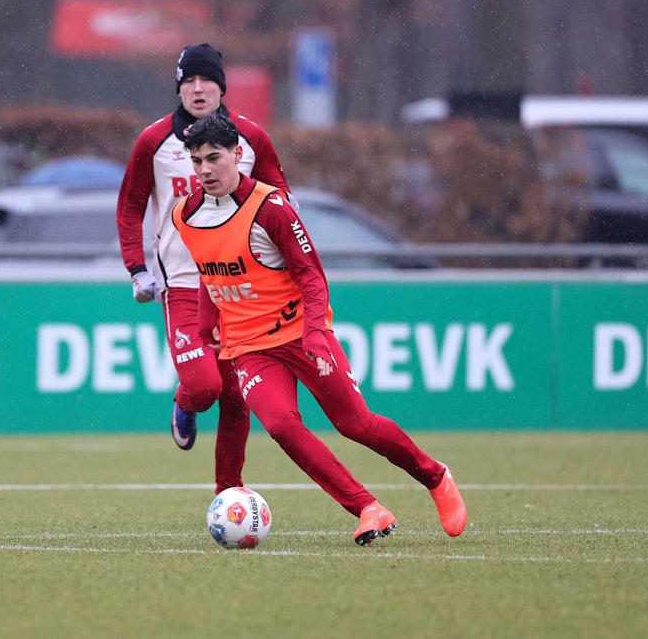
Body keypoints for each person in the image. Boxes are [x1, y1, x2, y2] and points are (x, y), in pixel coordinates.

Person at [171, 112, 467, 545]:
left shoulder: (271, 208)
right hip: (249, 346)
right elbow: (207, 266)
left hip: (302, 334)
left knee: (356, 425)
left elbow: (311, 274)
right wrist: (206, 319)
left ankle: (435, 475)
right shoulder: (185, 214)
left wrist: (314, 333)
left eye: (214, 158)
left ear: (237, 155)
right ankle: (367, 507)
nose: (205, 170)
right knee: (281, 425)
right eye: (196, 161)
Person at [116, 43, 290, 493]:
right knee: (205, 386)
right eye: (188, 81)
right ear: (178, 88)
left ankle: (228, 493)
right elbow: (130, 207)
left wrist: (281, 257)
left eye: (207, 80)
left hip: (238, 286)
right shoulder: (154, 141)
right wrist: (137, 268)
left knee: (236, 396)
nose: (197, 89)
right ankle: (185, 400)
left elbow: (280, 199)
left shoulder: (251, 138)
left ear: (221, 87)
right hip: (183, 285)